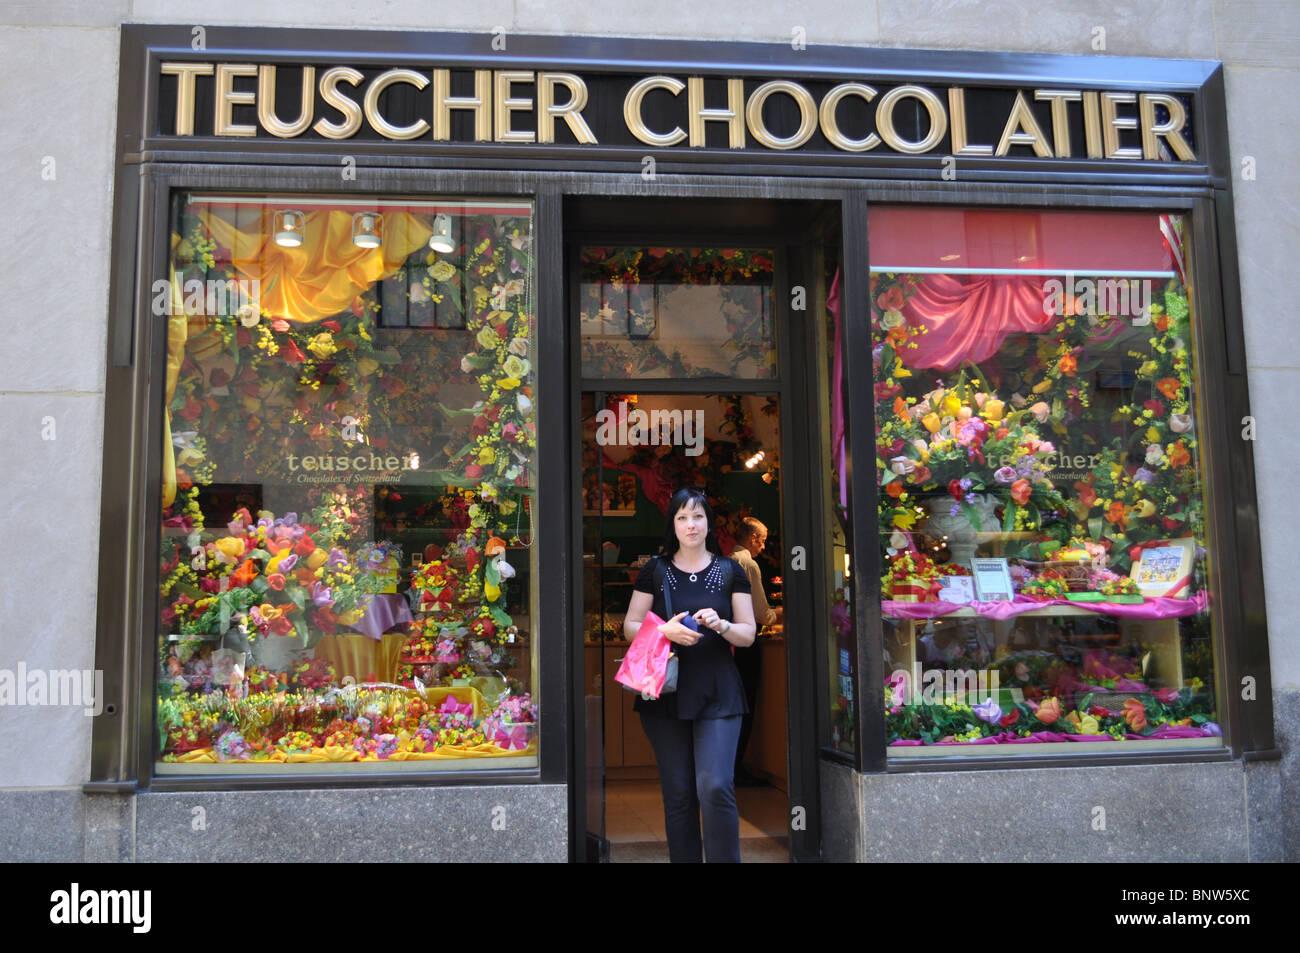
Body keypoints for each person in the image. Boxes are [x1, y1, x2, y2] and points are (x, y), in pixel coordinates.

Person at [624, 487, 757, 863]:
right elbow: (631, 625)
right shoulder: (656, 569)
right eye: (682, 517)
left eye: (697, 516)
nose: (690, 524)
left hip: (718, 690)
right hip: (667, 691)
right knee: (679, 793)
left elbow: (748, 633)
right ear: (673, 524)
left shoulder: (731, 570)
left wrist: (723, 625)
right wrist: (661, 630)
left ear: (708, 522)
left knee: (715, 787)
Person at [729, 517, 778, 786]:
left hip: (730, 642)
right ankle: (738, 769)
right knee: (746, 705)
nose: (764, 545)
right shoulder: (748, 564)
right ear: (752, 538)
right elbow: (762, 613)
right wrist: (779, 614)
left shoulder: (727, 560)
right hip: (746, 642)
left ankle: (732, 766)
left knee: (735, 706)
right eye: (762, 540)